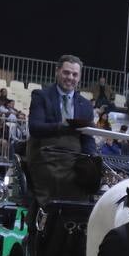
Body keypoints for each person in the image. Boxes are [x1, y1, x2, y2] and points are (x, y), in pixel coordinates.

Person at [27, 54, 97, 204]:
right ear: (57, 71)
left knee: (90, 178)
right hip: (46, 156)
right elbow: (35, 128)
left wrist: (91, 159)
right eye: (66, 72)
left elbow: (88, 138)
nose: (70, 77)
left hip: (75, 160)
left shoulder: (85, 105)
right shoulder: (41, 96)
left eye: (75, 74)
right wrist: (64, 126)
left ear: (79, 77)